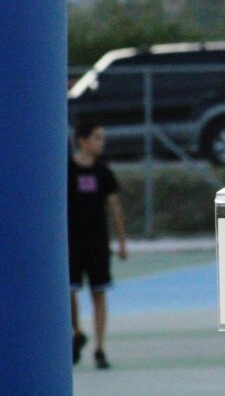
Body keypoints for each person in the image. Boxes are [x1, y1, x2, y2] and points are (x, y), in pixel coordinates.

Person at [68, 119, 128, 369]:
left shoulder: (103, 171)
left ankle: (100, 348)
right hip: (72, 243)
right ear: (82, 141)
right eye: (96, 138)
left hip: (97, 244)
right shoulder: (67, 170)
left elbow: (114, 206)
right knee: (69, 291)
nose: (101, 143)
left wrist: (122, 241)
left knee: (99, 294)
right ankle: (76, 332)